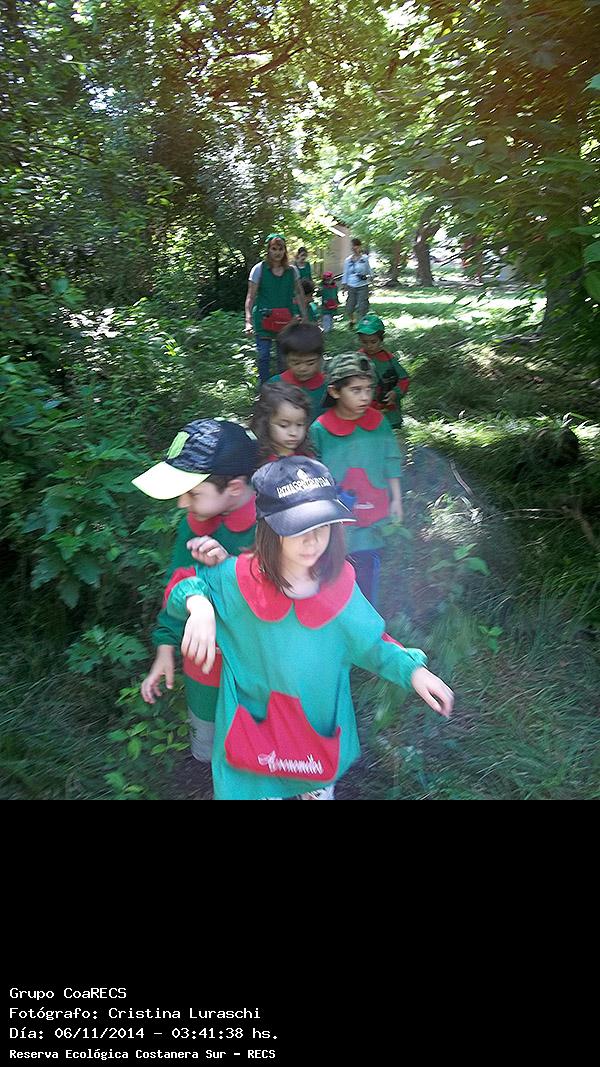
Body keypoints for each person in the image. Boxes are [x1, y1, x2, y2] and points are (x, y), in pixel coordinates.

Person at [164, 456, 454, 800]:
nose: (313, 540)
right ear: (269, 528)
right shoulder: (239, 580)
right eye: (298, 528)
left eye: (323, 525)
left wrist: (413, 671)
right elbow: (183, 585)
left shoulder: (338, 589)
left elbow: (372, 644)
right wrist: (199, 605)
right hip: (253, 744)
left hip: (311, 742)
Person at [133, 419, 258, 763]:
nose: (181, 503)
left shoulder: (274, 526)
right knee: (209, 743)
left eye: (193, 493)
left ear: (234, 487)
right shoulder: (196, 523)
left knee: (256, 749)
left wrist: (228, 568)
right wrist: (165, 645)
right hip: (204, 668)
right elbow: (178, 580)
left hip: (258, 671)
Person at [309, 352, 403, 607]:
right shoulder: (320, 429)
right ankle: (336, 613)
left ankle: (368, 615)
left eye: (369, 389)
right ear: (335, 391)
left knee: (367, 567)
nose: (365, 397)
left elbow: (391, 459)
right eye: (356, 390)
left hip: (373, 513)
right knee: (334, 570)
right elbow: (313, 472)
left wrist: (396, 499)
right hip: (336, 517)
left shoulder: (379, 422)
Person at [244, 234, 308, 384]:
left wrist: (304, 316)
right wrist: (248, 320)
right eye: (274, 249)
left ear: (285, 250)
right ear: (268, 250)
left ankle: (282, 388)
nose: (277, 252)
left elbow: (299, 293)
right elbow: (251, 297)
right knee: (263, 356)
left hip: (286, 321)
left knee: (283, 359)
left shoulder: (292, 271)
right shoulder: (259, 269)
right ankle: (264, 388)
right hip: (264, 319)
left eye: (280, 249)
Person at [356, 313, 410, 428]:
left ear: (381, 339)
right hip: (365, 410)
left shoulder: (389, 359)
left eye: (373, 342)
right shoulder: (357, 358)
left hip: (389, 413)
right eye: (364, 342)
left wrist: (395, 392)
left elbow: (404, 379)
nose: (369, 346)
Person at [267, 320, 328, 422]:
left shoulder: (328, 387)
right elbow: (264, 419)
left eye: (310, 363)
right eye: (296, 363)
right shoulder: (275, 385)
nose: (303, 368)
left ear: (320, 359)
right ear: (286, 359)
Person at [250, 381, 314, 464]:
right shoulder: (265, 464)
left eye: (299, 425)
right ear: (266, 424)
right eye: (284, 425)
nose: (294, 433)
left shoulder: (307, 456)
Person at [341, 238, 373, 328]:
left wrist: (371, 281)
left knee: (362, 307)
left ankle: (362, 325)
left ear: (360, 247)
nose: (355, 248)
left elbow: (369, 271)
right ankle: (352, 320)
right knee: (349, 308)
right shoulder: (348, 260)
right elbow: (345, 273)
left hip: (363, 285)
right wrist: (344, 286)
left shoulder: (364, 258)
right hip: (351, 286)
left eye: (356, 246)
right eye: (353, 246)